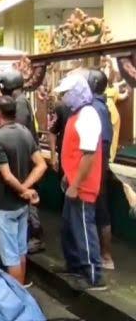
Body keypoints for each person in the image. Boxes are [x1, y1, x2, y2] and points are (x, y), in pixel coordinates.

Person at [54, 73, 106, 290]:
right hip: (74, 182)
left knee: (84, 229)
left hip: (83, 186)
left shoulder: (88, 115)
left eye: (66, 93)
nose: (64, 98)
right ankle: (75, 266)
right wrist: (69, 175)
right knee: (70, 228)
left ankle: (93, 275)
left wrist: (75, 185)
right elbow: (75, 153)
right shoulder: (77, 114)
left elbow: (89, 155)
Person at [0, 96, 47, 285]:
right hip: (22, 205)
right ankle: (23, 290)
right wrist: (27, 189)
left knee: (11, 256)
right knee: (21, 250)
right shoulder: (25, 132)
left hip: (5, 205)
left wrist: (23, 189)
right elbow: (41, 165)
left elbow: (6, 176)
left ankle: (16, 297)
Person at [0, 69, 45, 254]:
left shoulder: (20, 103)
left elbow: (18, 130)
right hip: (24, 157)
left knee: (26, 197)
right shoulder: (21, 100)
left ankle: (36, 236)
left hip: (25, 159)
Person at [88, 69, 115, 270]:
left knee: (101, 209)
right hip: (97, 167)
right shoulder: (98, 107)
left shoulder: (97, 109)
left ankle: (105, 256)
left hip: (96, 169)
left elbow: (102, 145)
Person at [105, 75, 129, 161]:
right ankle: (111, 158)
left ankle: (107, 156)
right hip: (113, 115)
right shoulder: (113, 89)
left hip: (106, 115)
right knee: (114, 136)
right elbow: (122, 96)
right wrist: (126, 90)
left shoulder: (102, 90)